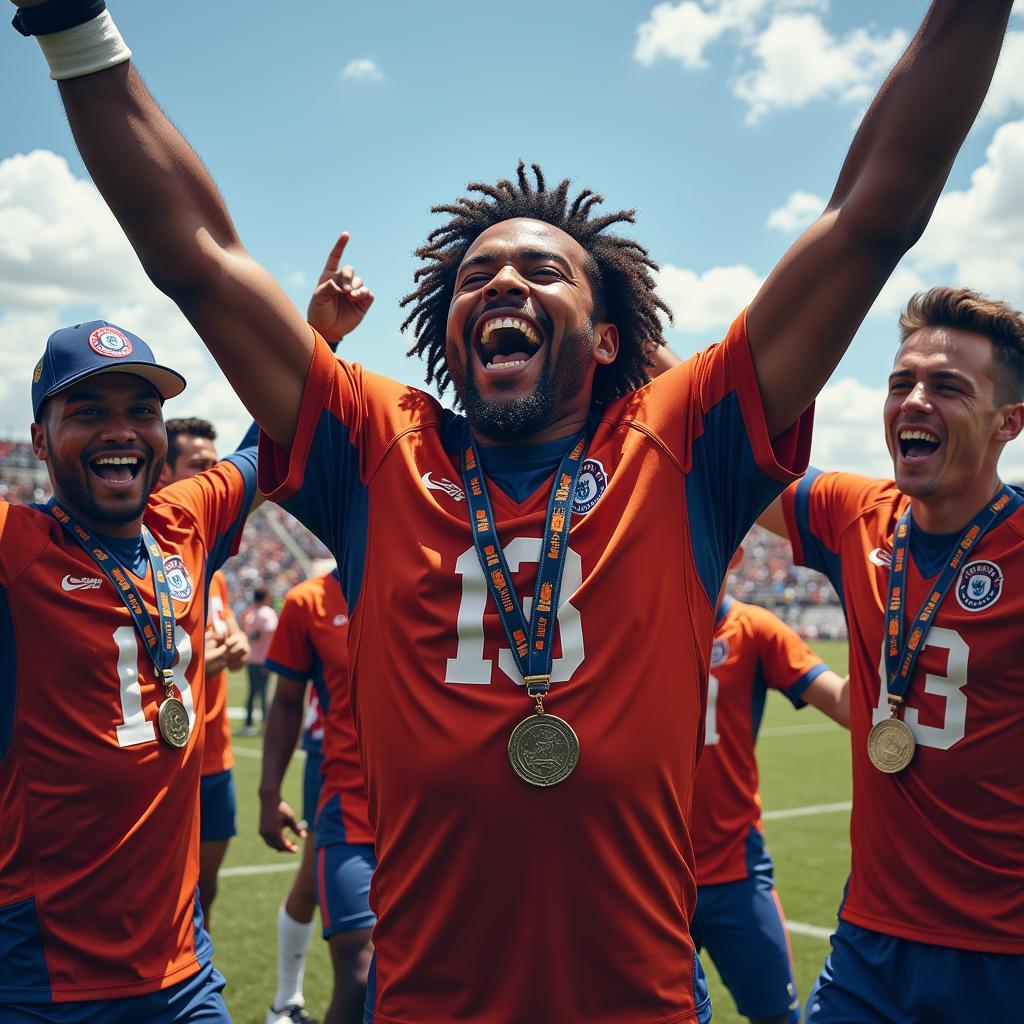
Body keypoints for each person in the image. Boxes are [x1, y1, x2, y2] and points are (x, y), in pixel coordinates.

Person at [11, 1, 1012, 1018]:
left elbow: (869, 218)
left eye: (541, 270)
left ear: (609, 337)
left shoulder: (682, 439)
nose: (501, 282)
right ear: (446, 337)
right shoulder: (372, 444)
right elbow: (198, 256)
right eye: (474, 273)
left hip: (639, 1003)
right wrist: (75, 30)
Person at [755, 286, 1024, 1023]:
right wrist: (613, 314)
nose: (913, 401)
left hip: (1007, 955)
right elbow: (726, 442)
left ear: (1010, 421)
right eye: (901, 382)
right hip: (871, 944)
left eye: (947, 387)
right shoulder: (858, 514)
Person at [0, 320, 257, 1021]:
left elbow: (274, 439)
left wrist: (316, 339)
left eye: (142, 411)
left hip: (183, 971)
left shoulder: (186, 522)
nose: (122, 429)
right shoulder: (15, 548)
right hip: (42, 980)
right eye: (88, 411)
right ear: (41, 439)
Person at [691, 548, 848, 1024]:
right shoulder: (639, 621)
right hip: (648, 873)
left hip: (734, 870)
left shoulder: (754, 628)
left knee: (777, 1016)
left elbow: (847, 706)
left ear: (735, 553)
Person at [261, 571, 373, 1024]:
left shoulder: (432, 577)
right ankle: (286, 1000)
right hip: (347, 799)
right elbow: (287, 701)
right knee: (363, 973)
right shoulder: (309, 602)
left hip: (433, 810)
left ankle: (284, 1005)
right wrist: (269, 792)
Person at [159, 416, 251, 930]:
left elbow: (226, 633)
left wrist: (234, 645)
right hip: (167, 764)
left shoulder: (208, 572)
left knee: (206, 889)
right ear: (163, 473)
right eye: (201, 468)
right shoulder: (137, 560)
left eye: (218, 467)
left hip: (215, 759)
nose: (215, 479)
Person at [240, 585, 278, 735]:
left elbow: (250, 633)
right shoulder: (267, 613)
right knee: (263, 693)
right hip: (264, 658)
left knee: (252, 692)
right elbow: (271, 634)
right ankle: (266, 724)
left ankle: (249, 723)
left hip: (251, 658)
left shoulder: (249, 612)